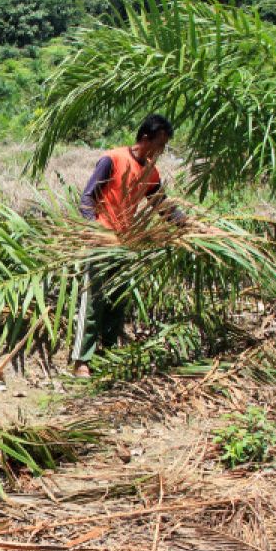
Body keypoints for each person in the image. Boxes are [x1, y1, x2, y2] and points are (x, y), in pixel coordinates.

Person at [70, 114, 176, 376]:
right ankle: (81, 360)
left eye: (163, 147)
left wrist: (188, 225)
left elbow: (161, 205)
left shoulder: (151, 173)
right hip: (101, 240)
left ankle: (107, 354)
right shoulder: (113, 159)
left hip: (126, 243)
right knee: (93, 301)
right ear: (144, 139)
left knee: (117, 301)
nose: (160, 152)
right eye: (158, 145)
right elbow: (87, 198)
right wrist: (95, 230)